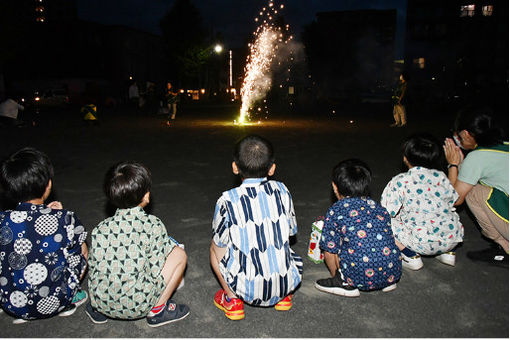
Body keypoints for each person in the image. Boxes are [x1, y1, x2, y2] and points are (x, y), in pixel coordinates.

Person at [210, 135, 302, 320]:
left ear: (235, 167)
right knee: (284, 247)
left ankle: (232, 299)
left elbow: (220, 242)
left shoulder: (227, 200)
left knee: (214, 248)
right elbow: (291, 231)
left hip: (246, 288)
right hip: (285, 283)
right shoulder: (282, 190)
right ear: (272, 169)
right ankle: (283, 295)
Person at [86, 161, 189, 327]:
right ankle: (157, 311)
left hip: (101, 302)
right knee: (178, 254)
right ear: (146, 196)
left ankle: (96, 309)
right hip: (137, 304)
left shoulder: (100, 229)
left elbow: (94, 265)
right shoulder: (152, 225)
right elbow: (156, 268)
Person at [0, 147, 88, 324]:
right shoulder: (64, 218)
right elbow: (80, 250)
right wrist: (59, 216)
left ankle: (16, 298)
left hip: (11, 304)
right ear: (48, 185)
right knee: (81, 246)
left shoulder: (3, 220)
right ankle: (72, 297)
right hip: (56, 302)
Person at [315, 159, 401, 297]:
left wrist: (336, 274)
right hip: (391, 271)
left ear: (334, 187)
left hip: (358, 273)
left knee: (331, 243)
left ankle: (343, 282)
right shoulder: (378, 207)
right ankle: (386, 280)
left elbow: (329, 249)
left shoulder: (336, 210)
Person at [381, 134, 464, 270]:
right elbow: (453, 200)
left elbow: (385, 212)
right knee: (444, 214)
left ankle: (409, 255)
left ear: (405, 158)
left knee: (382, 221)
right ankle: (447, 253)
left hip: (421, 242)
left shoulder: (400, 181)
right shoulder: (441, 177)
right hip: (451, 238)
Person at [443, 106, 508, 266]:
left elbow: (455, 199)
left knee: (473, 193)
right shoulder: (504, 145)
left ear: (465, 133)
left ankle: (505, 247)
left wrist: (453, 164)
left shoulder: (477, 157)